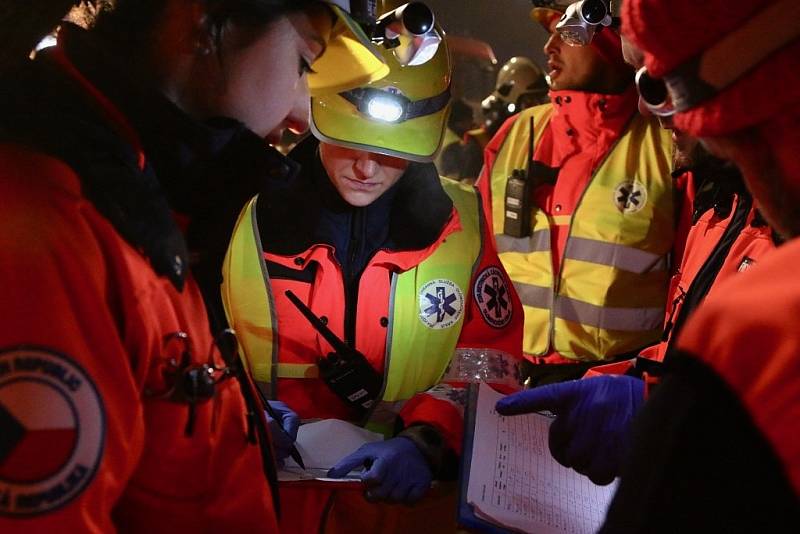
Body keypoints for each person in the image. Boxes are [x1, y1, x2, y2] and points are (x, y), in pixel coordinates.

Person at [0, 0, 387, 531]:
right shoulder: (48, 232)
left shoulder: (138, 197)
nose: (301, 114)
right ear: (203, 23)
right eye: (303, 63)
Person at [222, 7, 524, 532]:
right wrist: (239, 411)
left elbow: (490, 361)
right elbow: (192, 342)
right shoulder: (242, 216)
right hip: (264, 504)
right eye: (351, 143)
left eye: (389, 153)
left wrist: (428, 440)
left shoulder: (464, 228)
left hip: (401, 510)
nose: (366, 168)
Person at [494, 31, 779, 486]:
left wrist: (655, 408)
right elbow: (687, 340)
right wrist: (636, 388)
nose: (649, 105)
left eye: (663, 79)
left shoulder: (684, 172)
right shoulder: (721, 208)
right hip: (562, 389)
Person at [476, 0, 682, 385]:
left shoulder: (666, 144)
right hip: (512, 379)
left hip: (620, 386)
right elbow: (477, 263)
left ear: (611, 38)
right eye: (550, 33)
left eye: (566, 32)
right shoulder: (515, 136)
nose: (549, 47)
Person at [439, 56, 549, 183]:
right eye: (531, 102)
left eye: (542, 102)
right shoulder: (480, 145)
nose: (539, 109)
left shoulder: (540, 143)